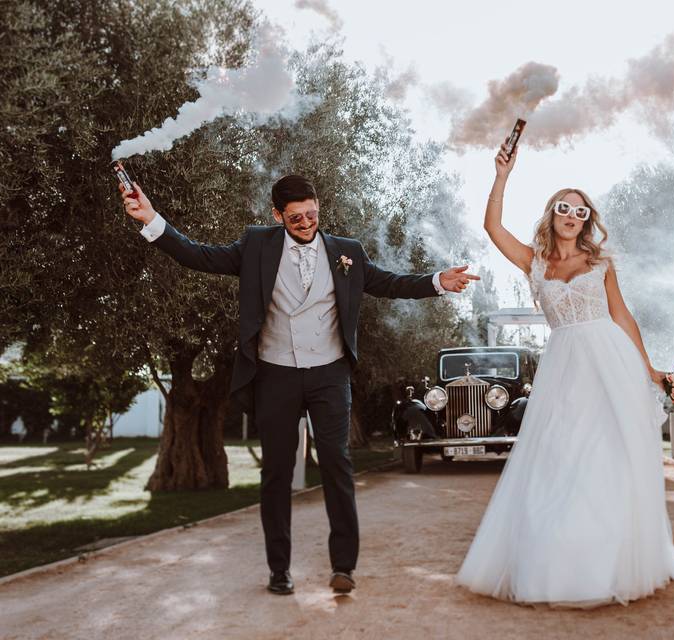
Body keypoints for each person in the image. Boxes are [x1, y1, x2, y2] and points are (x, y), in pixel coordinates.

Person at [120, 174, 478, 596]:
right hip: (274, 373)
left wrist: (437, 281)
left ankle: (343, 566)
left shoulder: (347, 252)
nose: (306, 222)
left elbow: (389, 283)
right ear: (277, 215)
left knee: (336, 464)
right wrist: (152, 220)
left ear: (318, 206)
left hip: (329, 373)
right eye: (295, 217)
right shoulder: (256, 245)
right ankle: (279, 570)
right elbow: (200, 256)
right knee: (275, 473)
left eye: (311, 213)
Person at [455, 144, 674, 607]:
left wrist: (649, 370)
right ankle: (560, 561)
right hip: (565, 363)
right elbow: (492, 227)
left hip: (611, 359)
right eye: (563, 208)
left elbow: (623, 317)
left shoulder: (601, 264)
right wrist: (502, 174)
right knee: (559, 455)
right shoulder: (534, 262)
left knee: (609, 454)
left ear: (587, 220)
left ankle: (610, 561)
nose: (571, 215)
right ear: (552, 215)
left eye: (580, 210)